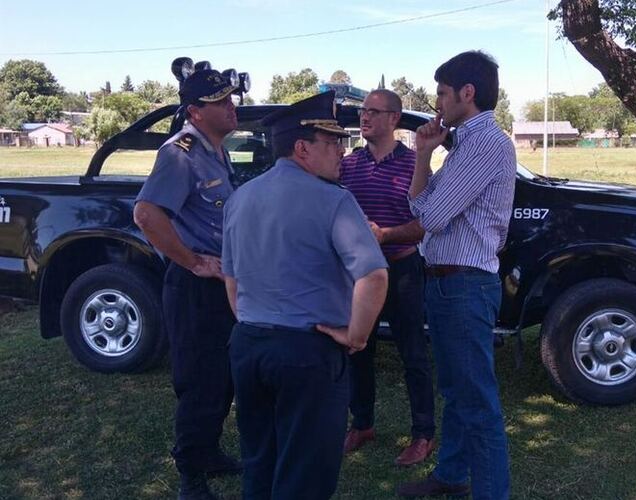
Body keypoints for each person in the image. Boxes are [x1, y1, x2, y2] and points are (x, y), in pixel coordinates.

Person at [223, 91, 389, 500]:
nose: (341, 152)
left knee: (260, 462)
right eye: (332, 143)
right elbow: (374, 275)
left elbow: (232, 280)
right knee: (306, 476)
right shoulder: (334, 200)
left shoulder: (240, 198)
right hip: (307, 353)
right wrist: (357, 337)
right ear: (302, 148)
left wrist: (253, 321)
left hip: (250, 346)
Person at [397, 51, 517, 499]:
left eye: (443, 93)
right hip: (449, 282)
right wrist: (425, 154)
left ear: (468, 93)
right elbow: (421, 207)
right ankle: (450, 477)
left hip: (463, 285)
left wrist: (423, 161)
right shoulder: (465, 143)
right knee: (457, 391)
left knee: (478, 405)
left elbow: (431, 214)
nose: (437, 102)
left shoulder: (486, 143)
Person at [134, 69, 242, 500]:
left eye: (230, 98)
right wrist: (192, 261)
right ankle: (190, 478)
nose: (231, 107)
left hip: (219, 287)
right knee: (199, 382)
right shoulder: (180, 153)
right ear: (196, 112)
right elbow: (147, 215)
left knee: (222, 379)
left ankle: (209, 452)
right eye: (221, 102)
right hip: (194, 289)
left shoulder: (215, 151)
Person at [339, 89, 436, 465]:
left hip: (402, 269)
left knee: (413, 353)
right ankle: (361, 423)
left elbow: (424, 224)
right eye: (363, 112)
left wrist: (385, 235)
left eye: (374, 113)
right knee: (357, 348)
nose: (365, 119)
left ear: (394, 119)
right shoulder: (349, 165)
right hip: (359, 272)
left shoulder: (415, 165)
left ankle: (423, 434)